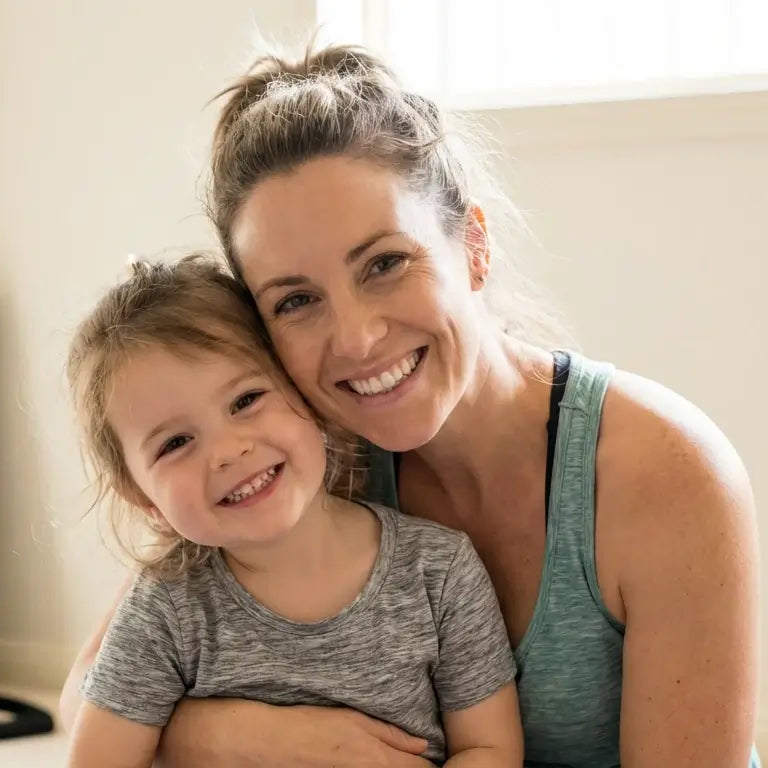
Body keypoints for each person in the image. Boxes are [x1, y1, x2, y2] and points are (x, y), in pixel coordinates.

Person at [60, 44, 761, 767]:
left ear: (474, 246)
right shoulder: (295, 455)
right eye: (297, 300)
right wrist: (254, 735)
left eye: (385, 263)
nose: (357, 338)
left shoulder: (668, 473)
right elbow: (87, 694)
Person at [62, 255, 522, 768]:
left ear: (306, 396)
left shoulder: (440, 569)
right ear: (146, 500)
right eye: (175, 443)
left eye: (245, 400)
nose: (228, 451)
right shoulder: (165, 609)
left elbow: (489, 749)